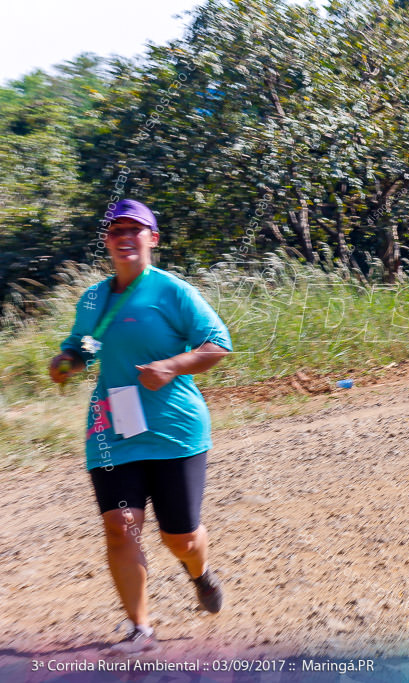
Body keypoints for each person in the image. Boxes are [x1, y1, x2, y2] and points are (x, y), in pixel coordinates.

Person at [48, 199, 233, 654]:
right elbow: (90, 341)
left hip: (174, 429)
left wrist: (172, 365)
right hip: (112, 428)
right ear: (108, 242)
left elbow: (218, 346)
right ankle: (140, 629)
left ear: (152, 238)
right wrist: (70, 360)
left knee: (181, 537)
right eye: (116, 231)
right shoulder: (95, 298)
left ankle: (200, 572)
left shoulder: (173, 292)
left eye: (136, 229)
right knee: (120, 525)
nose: (125, 237)